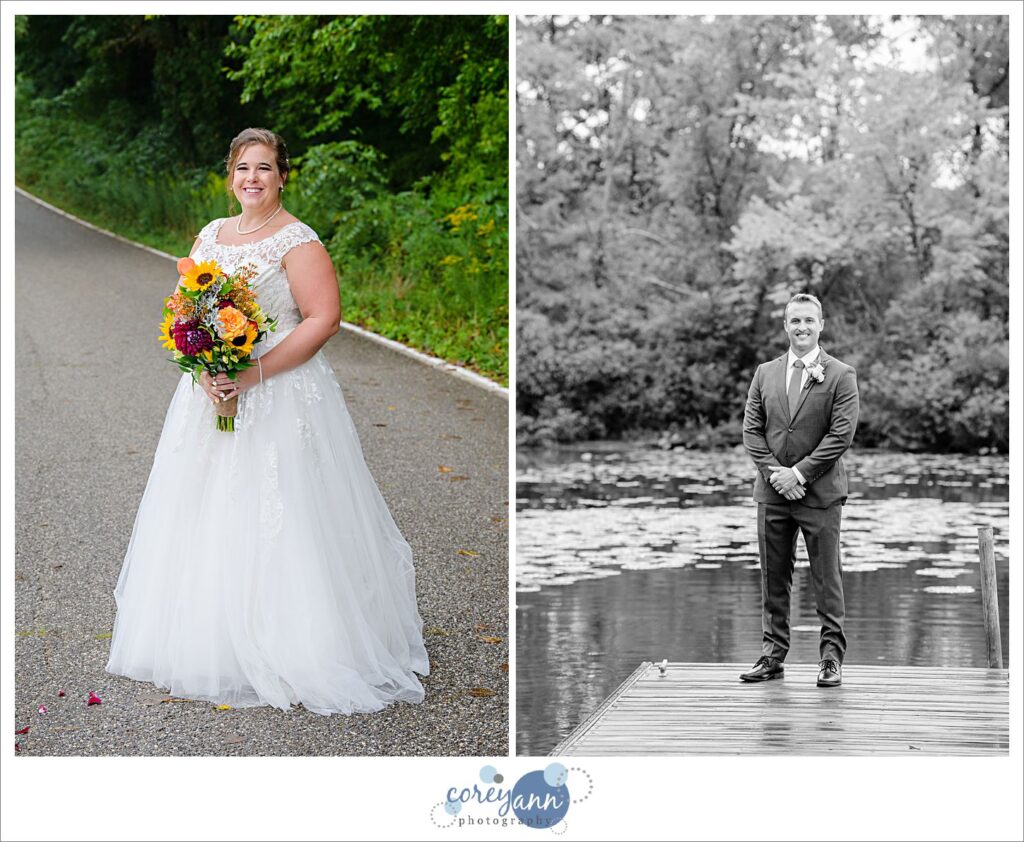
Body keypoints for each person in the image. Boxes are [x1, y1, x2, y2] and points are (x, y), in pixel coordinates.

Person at [106, 128, 429, 714]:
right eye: (242, 168)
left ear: (283, 176)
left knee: (283, 510)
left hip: (281, 391)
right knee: (206, 507)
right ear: (230, 177)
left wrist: (253, 372)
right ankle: (211, 641)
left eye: (265, 167)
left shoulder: (298, 240)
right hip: (210, 390)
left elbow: (323, 319)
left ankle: (301, 642)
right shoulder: (211, 234)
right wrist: (203, 365)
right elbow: (184, 308)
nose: (252, 178)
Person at [739, 293, 859, 688]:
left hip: (820, 493)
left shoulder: (840, 374)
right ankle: (773, 655)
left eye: (809, 321)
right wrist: (777, 474)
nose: (802, 328)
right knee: (774, 577)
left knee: (827, 578)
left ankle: (830, 659)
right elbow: (751, 430)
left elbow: (841, 435)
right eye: (795, 322)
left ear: (821, 325)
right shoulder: (764, 373)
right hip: (773, 493)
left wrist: (800, 475)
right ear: (786, 326)